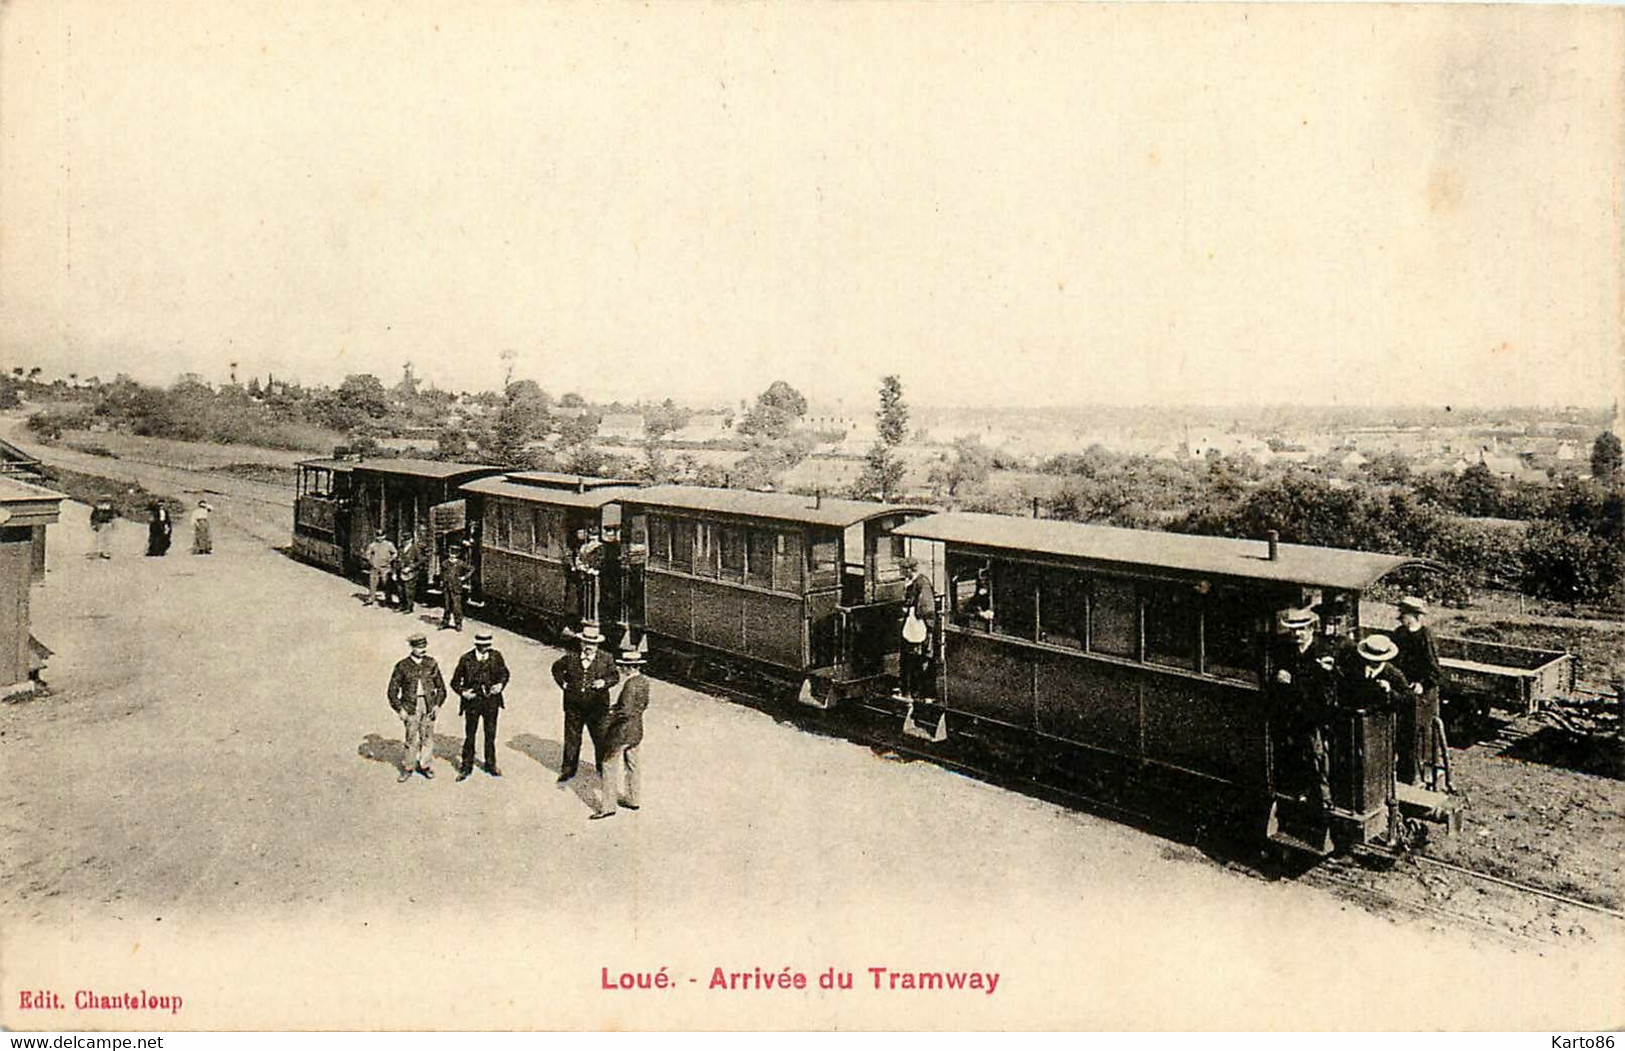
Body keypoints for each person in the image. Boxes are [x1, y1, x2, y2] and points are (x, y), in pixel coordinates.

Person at [1270, 608, 1339, 817]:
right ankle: (1302, 791)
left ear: (1310, 629)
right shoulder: (1289, 652)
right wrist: (1278, 677)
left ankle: (1325, 799)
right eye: (1293, 631)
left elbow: (1327, 689)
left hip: (1317, 715)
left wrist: (1293, 683)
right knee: (1298, 753)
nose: (1297, 635)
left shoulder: (1323, 652)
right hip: (1295, 713)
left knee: (1318, 755)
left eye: (1301, 630)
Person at [550, 625, 619, 784]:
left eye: (592, 644)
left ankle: (602, 768)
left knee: (600, 737)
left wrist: (604, 682)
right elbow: (556, 669)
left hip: (597, 707)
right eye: (585, 643)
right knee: (572, 737)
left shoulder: (606, 658)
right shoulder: (571, 657)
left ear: (597, 645)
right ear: (581, 643)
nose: (588, 647)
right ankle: (568, 769)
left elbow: (615, 676)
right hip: (573, 706)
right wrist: (563, 684)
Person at [1391, 596, 1444, 786]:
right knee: (1401, 734)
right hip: (1403, 690)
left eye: (1404, 614)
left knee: (1418, 736)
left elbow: (1435, 671)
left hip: (1422, 697)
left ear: (1414, 616)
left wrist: (1423, 683)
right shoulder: (1398, 633)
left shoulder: (1425, 636)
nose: (1401, 618)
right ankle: (1403, 773)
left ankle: (1421, 774)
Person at [594, 645, 650, 819]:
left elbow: (624, 711)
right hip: (637, 730)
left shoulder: (630, 685)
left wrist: (608, 715)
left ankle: (608, 807)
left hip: (622, 732)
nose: (621, 669)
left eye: (623, 666)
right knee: (632, 764)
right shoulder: (644, 682)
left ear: (630, 667)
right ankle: (633, 799)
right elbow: (643, 704)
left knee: (608, 765)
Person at [387, 631, 447, 782]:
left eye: (424, 646)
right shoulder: (402, 666)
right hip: (410, 706)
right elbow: (392, 691)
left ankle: (425, 765)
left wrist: (437, 705)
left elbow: (441, 688)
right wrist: (400, 709)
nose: (423, 650)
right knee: (411, 738)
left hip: (428, 705)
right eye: (419, 647)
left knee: (427, 737)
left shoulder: (431, 663)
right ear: (412, 648)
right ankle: (408, 767)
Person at [451, 631, 509, 780]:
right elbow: (455, 682)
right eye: (482, 646)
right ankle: (466, 766)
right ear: (476, 644)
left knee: (490, 734)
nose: (485, 649)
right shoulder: (466, 659)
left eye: (488, 646)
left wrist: (500, 685)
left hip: (491, 702)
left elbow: (505, 673)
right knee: (470, 735)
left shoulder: (496, 656)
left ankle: (490, 764)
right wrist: (463, 693)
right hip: (473, 702)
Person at [898, 556, 935, 700]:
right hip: (913, 626)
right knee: (909, 660)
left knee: (917, 661)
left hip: (919, 629)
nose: (901, 572)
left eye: (902, 569)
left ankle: (917, 694)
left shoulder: (922, 583)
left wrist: (910, 611)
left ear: (908, 570)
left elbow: (927, 608)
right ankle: (909, 691)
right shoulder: (914, 582)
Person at [440, 544, 471, 631]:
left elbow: (471, 569)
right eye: (451, 553)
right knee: (447, 607)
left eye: (454, 554)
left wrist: (464, 578)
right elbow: (442, 573)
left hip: (456, 588)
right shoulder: (445, 563)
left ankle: (458, 624)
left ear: (457, 555)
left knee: (457, 607)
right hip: (447, 587)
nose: (452, 556)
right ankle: (445, 622)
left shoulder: (460, 564)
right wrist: (443, 581)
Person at [364, 530, 397, 606]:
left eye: (381, 536)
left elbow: (395, 553)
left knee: (386, 583)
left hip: (385, 567)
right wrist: (371, 561)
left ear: (384, 536)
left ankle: (388, 599)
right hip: (375, 567)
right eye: (378, 536)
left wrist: (390, 559)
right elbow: (367, 554)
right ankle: (371, 598)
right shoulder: (372, 545)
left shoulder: (389, 544)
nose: (380, 538)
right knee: (373, 583)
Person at [394, 531, 421, 614]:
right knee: (400, 590)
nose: (405, 542)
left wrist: (410, 567)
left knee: (409, 591)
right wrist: (394, 572)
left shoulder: (415, 549)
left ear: (411, 540)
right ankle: (401, 605)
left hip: (410, 573)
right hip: (400, 572)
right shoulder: (400, 548)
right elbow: (396, 561)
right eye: (404, 540)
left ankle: (409, 607)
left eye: (407, 540)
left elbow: (420, 561)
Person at [89, 495, 117, 559]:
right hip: (101, 523)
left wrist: (112, 523)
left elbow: (112, 516)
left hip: (105, 523)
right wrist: (93, 523)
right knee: (101, 537)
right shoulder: (100, 507)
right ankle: (100, 551)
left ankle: (104, 551)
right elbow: (93, 516)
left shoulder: (108, 507)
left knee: (105, 538)